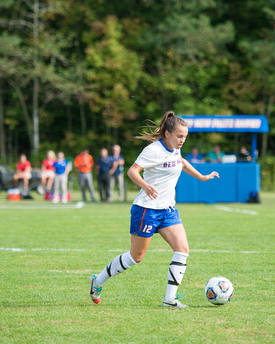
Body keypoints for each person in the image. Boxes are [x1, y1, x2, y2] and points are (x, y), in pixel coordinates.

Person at [89, 111, 219, 309]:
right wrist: (145, 186)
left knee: (182, 250)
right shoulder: (153, 150)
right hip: (146, 209)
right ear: (167, 133)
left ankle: (169, 299)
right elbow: (132, 171)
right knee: (136, 257)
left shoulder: (176, 148)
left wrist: (201, 176)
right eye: (179, 136)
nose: (182, 140)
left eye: (185, 136)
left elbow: (181, 162)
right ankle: (98, 280)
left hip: (167, 209)